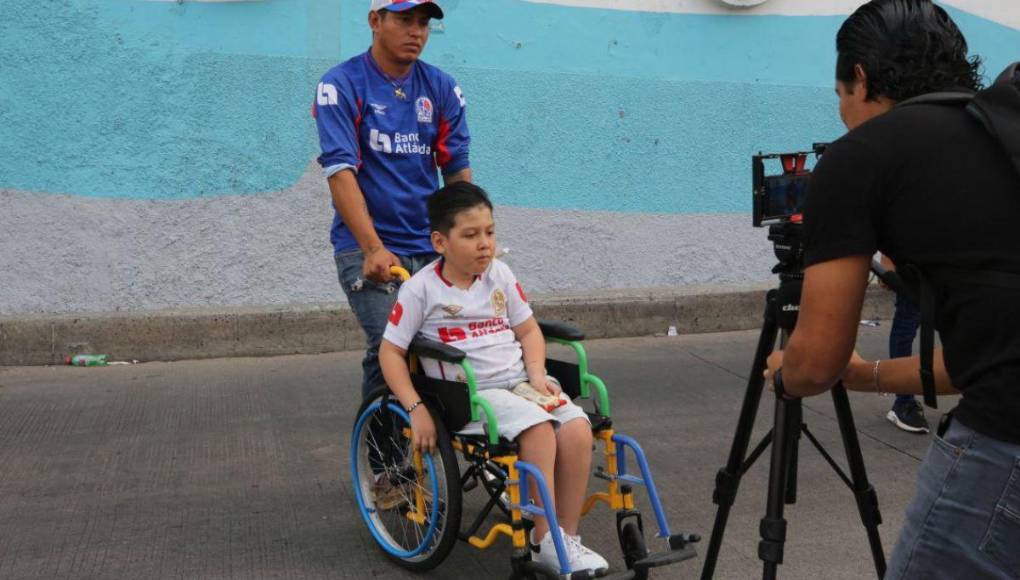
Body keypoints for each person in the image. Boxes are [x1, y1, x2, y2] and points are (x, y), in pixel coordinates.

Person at [762, 1, 1020, 578]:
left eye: (840, 96)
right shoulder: (1000, 135)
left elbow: (815, 362)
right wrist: (868, 376)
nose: (844, 113)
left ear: (860, 78)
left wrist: (786, 374)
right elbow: (981, 357)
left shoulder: (862, 157)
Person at [378, 182, 609, 575]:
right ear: (440, 241)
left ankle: (564, 537)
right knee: (538, 431)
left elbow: (529, 331)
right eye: (470, 235)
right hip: (469, 397)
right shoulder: (420, 290)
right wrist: (414, 408)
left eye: (489, 232)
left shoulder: (500, 275)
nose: (484, 243)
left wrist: (537, 373)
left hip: (519, 386)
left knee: (576, 428)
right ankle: (543, 539)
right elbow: (391, 352)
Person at [313, 0, 471, 400]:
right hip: (368, 248)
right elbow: (340, 172)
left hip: (429, 246)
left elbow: (455, 173)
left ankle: (429, 441)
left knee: (447, 346)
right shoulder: (342, 84)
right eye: (404, 20)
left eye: (423, 23)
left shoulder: (441, 87)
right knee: (391, 345)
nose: (416, 31)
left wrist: (467, 240)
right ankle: (386, 453)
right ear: (374, 21)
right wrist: (372, 248)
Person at [878, 254, 929, 433]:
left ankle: (973, 398)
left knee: (962, 327)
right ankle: (903, 402)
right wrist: (888, 262)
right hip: (912, 264)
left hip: (953, 259)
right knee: (906, 325)